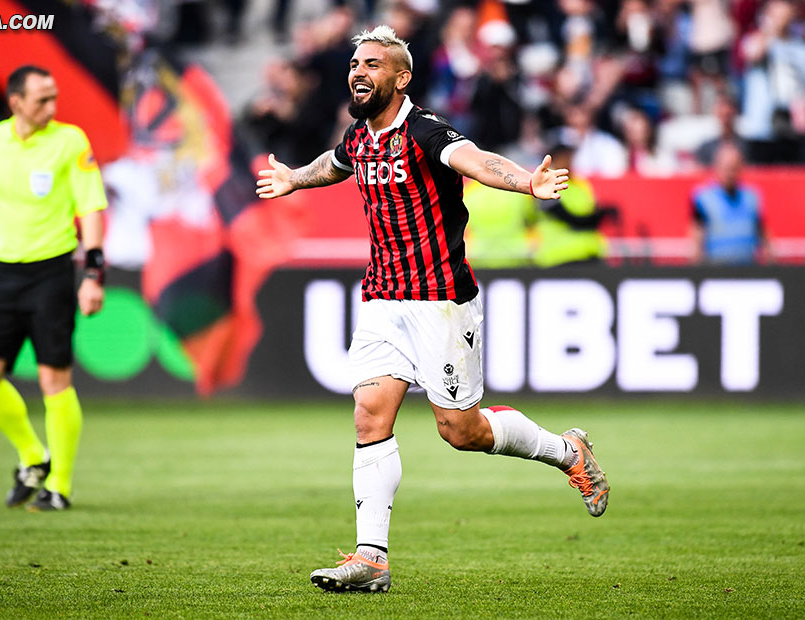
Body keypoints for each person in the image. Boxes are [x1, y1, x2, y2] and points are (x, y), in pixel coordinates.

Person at [256, 25, 609, 594]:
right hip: (381, 299)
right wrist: (295, 179)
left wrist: (525, 182)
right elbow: (336, 162)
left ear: (402, 77)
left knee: (461, 431)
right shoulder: (360, 136)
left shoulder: (423, 130)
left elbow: (473, 160)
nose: (357, 72)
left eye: (372, 64)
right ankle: (371, 559)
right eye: (354, 64)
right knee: (370, 414)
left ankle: (567, 451)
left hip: (440, 301)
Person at [0, 65, 108, 511]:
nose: (52, 107)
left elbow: (92, 207)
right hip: (3, 273)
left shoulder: (70, 141)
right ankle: (32, 455)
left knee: (53, 380)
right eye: (42, 99)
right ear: (16, 102)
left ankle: (59, 484)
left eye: (54, 97)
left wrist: (94, 272)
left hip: (52, 272)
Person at [532, 143, 617, 267]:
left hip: (589, 255)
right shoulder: (545, 187)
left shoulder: (581, 185)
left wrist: (600, 214)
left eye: (570, 156)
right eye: (564, 157)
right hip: (559, 258)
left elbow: (591, 213)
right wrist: (602, 215)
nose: (569, 160)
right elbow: (571, 219)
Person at [691, 142, 768, 264]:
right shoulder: (704, 198)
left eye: (734, 168)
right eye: (726, 168)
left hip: (748, 271)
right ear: (716, 167)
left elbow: (763, 235)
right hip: (716, 272)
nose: (730, 174)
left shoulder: (751, 197)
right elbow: (697, 240)